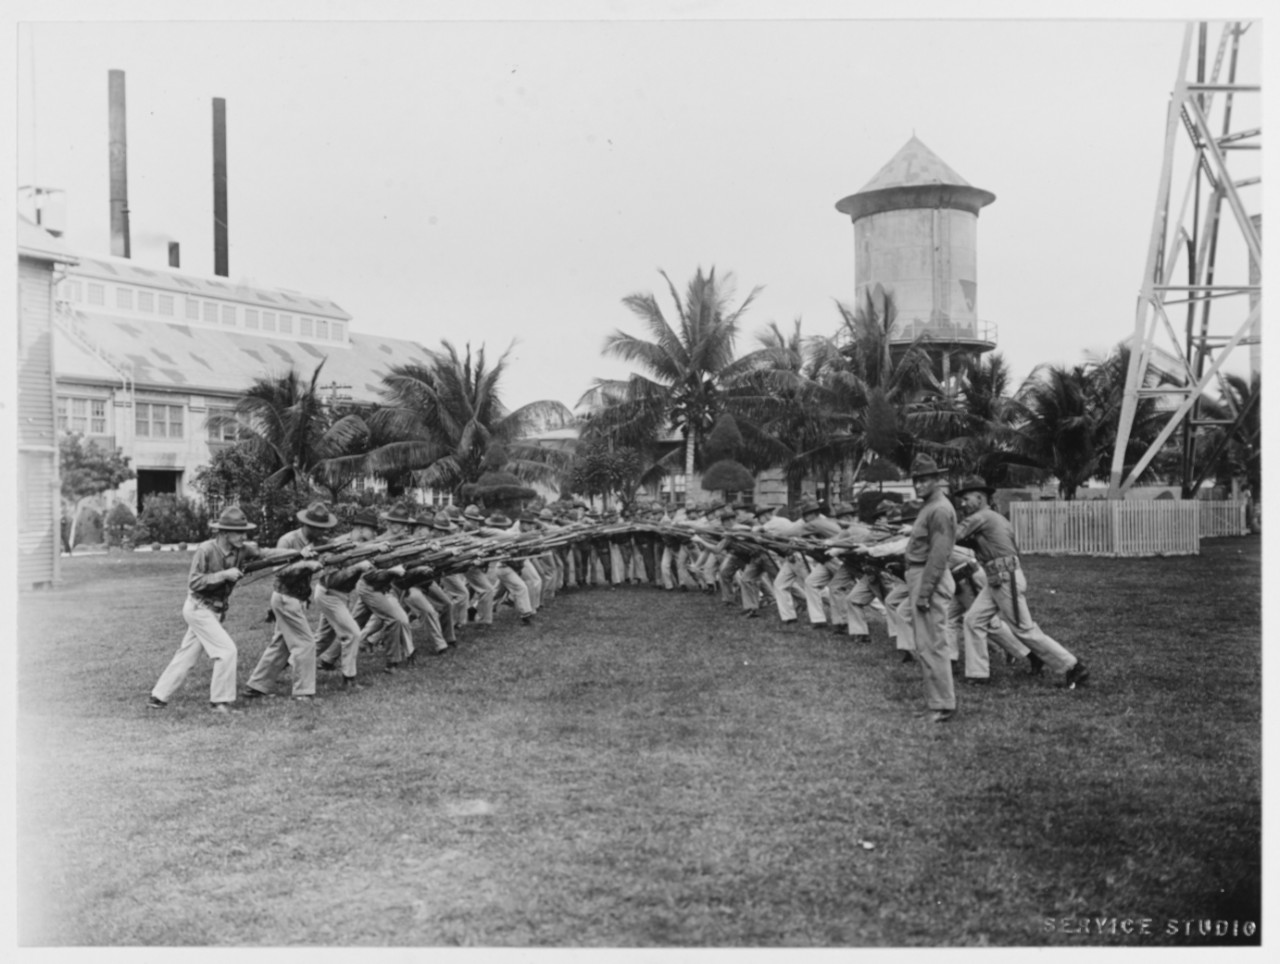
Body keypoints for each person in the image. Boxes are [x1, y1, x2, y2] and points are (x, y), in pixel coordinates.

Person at [147, 505, 302, 713]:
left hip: (214, 611)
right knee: (227, 651)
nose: (243, 536)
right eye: (238, 532)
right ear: (223, 532)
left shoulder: (242, 550)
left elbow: (268, 553)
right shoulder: (206, 550)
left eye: (244, 532)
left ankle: (158, 697)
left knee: (187, 655)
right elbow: (194, 582)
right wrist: (223, 575)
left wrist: (299, 552)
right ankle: (220, 702)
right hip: (198, 608)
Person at [953, 476, 1091, 689]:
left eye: (966, 498)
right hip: (998, 578)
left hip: (1005, 578)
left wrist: (922, 530)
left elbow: (952, 536)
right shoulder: (993, 518)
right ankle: (978, 674)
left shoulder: (981, 517)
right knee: (973, 619)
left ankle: (1072, 666)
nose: (962, 504)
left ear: (980, 497)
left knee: (1024, 629)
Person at [242, 501, 337, 702]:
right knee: (306, 643)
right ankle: (303, 693)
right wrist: (306, 565)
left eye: (324, 529)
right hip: (286, 597)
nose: (322, 532)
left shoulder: (320, 543)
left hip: (297, 598)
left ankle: (256, 686)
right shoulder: (288, 541)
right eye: (319, 529)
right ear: (307, 525)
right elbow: (280, 571)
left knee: (281, 646)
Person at [903, 456, 959, 723]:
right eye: (916, 480)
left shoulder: (939, 509)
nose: (918, 485)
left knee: (932, 643)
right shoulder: (930, 506)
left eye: (924, 479)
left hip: (929, 577)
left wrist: (925, 592)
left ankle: (942, 705)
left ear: (937, 480)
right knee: (926, 642)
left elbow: (939, 556)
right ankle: (937, 702)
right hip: (920, 575)